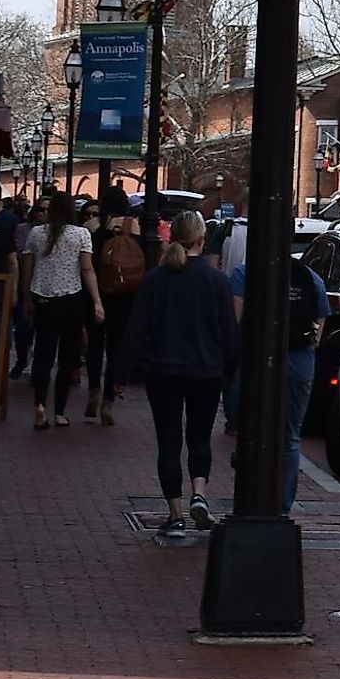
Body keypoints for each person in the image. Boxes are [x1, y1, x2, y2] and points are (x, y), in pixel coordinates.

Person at [123, 211, 239, 540]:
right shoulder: (217, 280)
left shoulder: (157, 278)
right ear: (202, 239)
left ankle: (174, 514)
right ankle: (199, 492)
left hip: (164, 370)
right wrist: (229, 369)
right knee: (199, 437)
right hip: (205, 371)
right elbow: (229, 333)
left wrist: (120, 373)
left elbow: (136, 329)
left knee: (169, 442)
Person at [231, 242, 330, 511]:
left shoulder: (244, 273)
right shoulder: (309, 277)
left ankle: (250, 499)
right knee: (290, 437)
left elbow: (236, 321)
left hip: (257, 361)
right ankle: (283, 507)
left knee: (252, 428)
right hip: (300, 362)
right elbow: (320, 324)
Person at [22, 192, 103, 430]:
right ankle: (59, 412)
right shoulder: (81, 235)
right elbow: (87, 270)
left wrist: (26, 298)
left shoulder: (36, 233)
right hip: (71, 300)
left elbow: (27, 269)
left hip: (43, 298)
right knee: (67, 359)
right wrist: (97, 301)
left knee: (43, 356)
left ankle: (39, 406)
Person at [84, 198, 150, 424]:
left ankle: (93, 388)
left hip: (98, 294)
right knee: (115, 347)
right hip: (125, 296)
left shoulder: (94, 228)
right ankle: (108, 401)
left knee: (94, 344)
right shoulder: (136, 228)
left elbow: (86, 263)